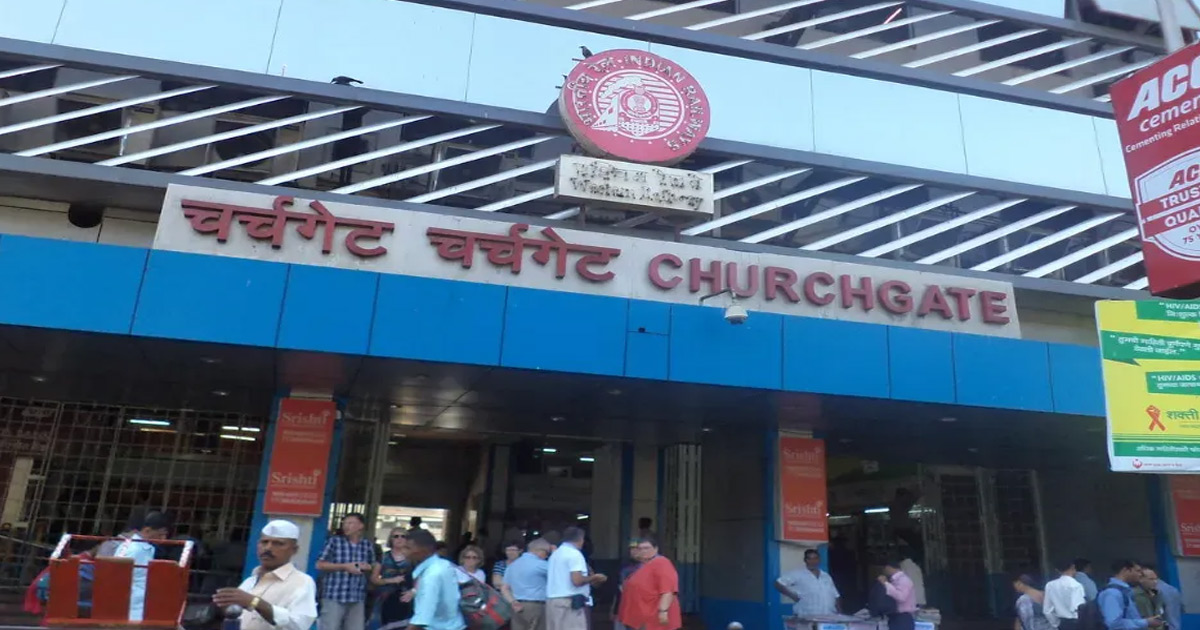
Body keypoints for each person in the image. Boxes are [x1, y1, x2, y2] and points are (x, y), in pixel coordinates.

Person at [212, 520, 318, 630]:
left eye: (278, 543)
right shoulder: (250, 581)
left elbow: (298, 625)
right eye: (264, 542)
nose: (268, 548)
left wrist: (256, 603)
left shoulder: (302, 581)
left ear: (294, 550)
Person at [317, 513, 378, 630]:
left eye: (350, 523)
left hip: (357, 597)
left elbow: (372, 565)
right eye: (344, 523)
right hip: (334, 595)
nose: (346, 526)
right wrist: (345, 566)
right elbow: (320, 564)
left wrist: (366, 567)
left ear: (360, 526)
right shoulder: (334, 542)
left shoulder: (366, 545)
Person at [115, 510, 172, 622]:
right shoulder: (137, 550)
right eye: (161, 534)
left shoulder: (130, 545)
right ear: (147, 530)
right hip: (134, 605)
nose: (163, 539)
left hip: (133, 602)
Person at [546, 527, 607, 630]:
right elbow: (577, 580)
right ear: (581, 539)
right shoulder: (574, 554)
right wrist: (594, 577)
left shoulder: (556, 554)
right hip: (569, 603)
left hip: (553, 602)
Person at [618, 535, 681, 630]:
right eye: (640, 548)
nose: (643, 551)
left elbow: (668, 591)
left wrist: (663, 611)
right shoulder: (641, 565)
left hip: (653, 618)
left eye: (646, 548)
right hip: (639, 617)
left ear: (656, 549)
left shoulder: (662, 563)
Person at [406, 528, 465, 630]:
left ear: (424, 550)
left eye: (407, 548)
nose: (404, 552)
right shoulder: (444, 564)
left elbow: (422, 618)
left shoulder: (431, 575)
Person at [502, 538, 552, 630]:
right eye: (547, 553)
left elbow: (504, 588)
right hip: (536, 606)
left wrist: (512, 601)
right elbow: (561, 574)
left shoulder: (512, 565)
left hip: (517, 607)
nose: (547, 556)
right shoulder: (542, 564)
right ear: (540, 551)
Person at [1099, 560, 1163, 630]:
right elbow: (1113, 624)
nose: (1140, 574)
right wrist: (1146, 622)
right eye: (1137, 571)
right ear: (1125, 570)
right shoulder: (1112, 593)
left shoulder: (1124, 592)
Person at [371, 528, 415, 630]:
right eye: (396, 536)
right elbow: (374, 579)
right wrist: (391, 580)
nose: (399, 539)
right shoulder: (383, 557)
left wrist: (413, 591)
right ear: (391, 539)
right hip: (386, 599)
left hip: (408, 598)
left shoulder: (413, 558)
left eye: (403, 536)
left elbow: (421, 577)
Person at [775, 549, 840, 616]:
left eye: (815, 558)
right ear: (805, 560)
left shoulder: (826, 576)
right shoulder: (798, 574)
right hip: (807, 616)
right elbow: (778, 583)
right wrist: (792, 595)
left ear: (819, 560)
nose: (813, 561)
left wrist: (839, 614)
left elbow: (836, 595)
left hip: (829, 616)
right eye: (809, 559)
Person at [1043, 559, 1086, 630]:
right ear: (1073, 567)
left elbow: (1047, 610)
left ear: (1057, 570)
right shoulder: (1076, 585)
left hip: (1062, 623)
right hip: (1076, 623)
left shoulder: (1050, 585)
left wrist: (1056, 624)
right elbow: (1078, 608)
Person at [879, 558, 917, 630]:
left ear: (888, 567)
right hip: (895, 617)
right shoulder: (894, 580)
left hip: (903, 618)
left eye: (884, 568)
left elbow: (901, 597)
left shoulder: (903, 580)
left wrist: (886, 584)